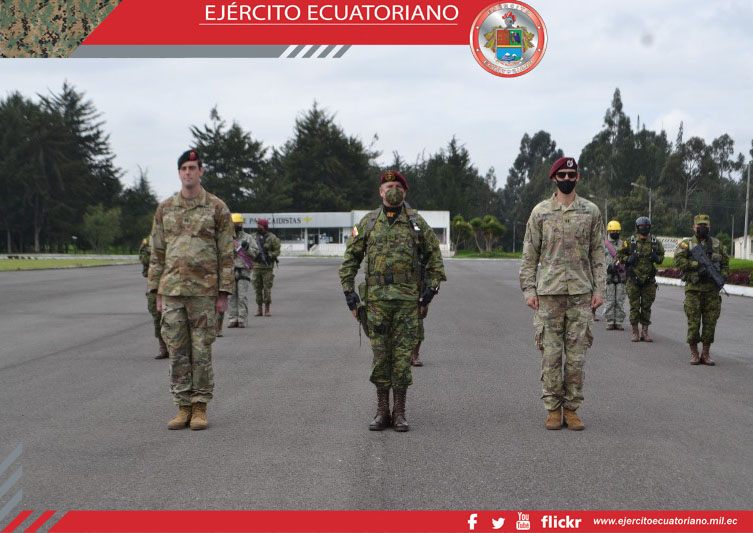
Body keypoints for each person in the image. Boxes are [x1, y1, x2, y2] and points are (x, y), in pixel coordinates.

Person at [339, 170, 446, 432]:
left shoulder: (416, 223)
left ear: (405, 191)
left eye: (397, 186)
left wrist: (430, 290)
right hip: (376, 302)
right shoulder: (368, 223)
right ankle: (381, 411)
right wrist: (350, 294)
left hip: (407, 301)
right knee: (380, 357)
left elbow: (434, 257)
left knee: (401, 358)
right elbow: (350, 258)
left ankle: (399, 412)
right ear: (381, 192)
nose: (393, 190)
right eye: (388, 186)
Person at [149, 149, 234, 431]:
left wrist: (224, 292)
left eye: (193, 167)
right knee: (177, 351)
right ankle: (182, 406)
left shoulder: (217, 208)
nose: (188, 172)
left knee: (201, 351)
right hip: (172, 291)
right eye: (184, 168)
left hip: (204, 292)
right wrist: (156, 290)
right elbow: (157, 252)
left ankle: (199, 406)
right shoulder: (165, 208)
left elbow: (226, 252)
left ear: (201, 171)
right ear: (179, 173)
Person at [519, 156, 605, 431]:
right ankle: (553, 409)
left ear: (577, 177)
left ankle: (572, 409)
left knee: (577, 358)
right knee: (551, 357)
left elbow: (598, 253)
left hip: (580, 294)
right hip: (549, 295)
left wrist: (599, 289)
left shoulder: (591, 212)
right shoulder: (540, 212)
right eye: (562, 175)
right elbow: (529, 254)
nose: (567, 179)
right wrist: (529, 289)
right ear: (554, 178)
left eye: (571, 174)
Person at [673, 214, 729, 365]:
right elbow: (678, 260)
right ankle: (694, 353)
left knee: (710, 324)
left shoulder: (717, 244)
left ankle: (706, 353)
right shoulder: (687, 244)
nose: (703, 228)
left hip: (712, 291)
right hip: (694, 290)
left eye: (705, 226)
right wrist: (697, 266)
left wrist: (721, 277)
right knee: (693, 323)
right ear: (694, 227)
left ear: (709, 227)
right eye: (700, 226)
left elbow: (725, 264)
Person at [617, 216, 665, 342]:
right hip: (633, 280)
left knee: (646, 307)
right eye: (641, 227)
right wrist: (628, 259)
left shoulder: (655, 242)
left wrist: (657, 258)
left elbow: (661, 256)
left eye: (646, 226)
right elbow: (619, 255)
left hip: (648, 280)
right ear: (637, 228)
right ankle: (635, 332)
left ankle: (645, 332)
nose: (644, 228)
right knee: (634, 307)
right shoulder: (630, 242)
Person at [139, 237, 168, 359]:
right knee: (157, 315)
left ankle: (176, 346)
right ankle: (163, 347)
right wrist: (146, 249)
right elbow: (145, 260)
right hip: (155, 284)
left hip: (172, 283)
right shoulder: (149, 242)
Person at [227, 213, 258, 328]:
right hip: (230, 270)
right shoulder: (227, 238)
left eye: (238, 223)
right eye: (234, 223)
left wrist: (247, 248)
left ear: (241, 224)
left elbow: (255, 253)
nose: (236, 225)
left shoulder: (248, 238)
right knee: (231, 297)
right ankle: (232, 319)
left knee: (242, 296)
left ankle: (242, 319)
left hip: (243, 270)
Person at [252, 218, 281, 317]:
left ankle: (267, 309)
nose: (258, 227)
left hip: (267, 267)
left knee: (267, 289)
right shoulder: (253, 237)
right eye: (257, 225)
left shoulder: (272, 238)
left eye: (259, 225)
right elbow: (250, 249)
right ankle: (259, 308)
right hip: (256, 266)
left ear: (264, 226)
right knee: (257, 289)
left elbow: (277, 251)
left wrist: (270, 255)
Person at [602, 220, 627, 331]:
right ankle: (610, 321)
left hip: (621, 276)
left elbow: (627, 258)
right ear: (608, 231)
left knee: (620, 301)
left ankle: (618, 322)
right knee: (610, 300)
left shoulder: (623, 244)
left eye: (617, 231)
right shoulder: (603, 244)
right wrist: (607, 268)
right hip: (608, 276)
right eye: (613, 231)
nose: (615, 233)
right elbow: (598, 259)